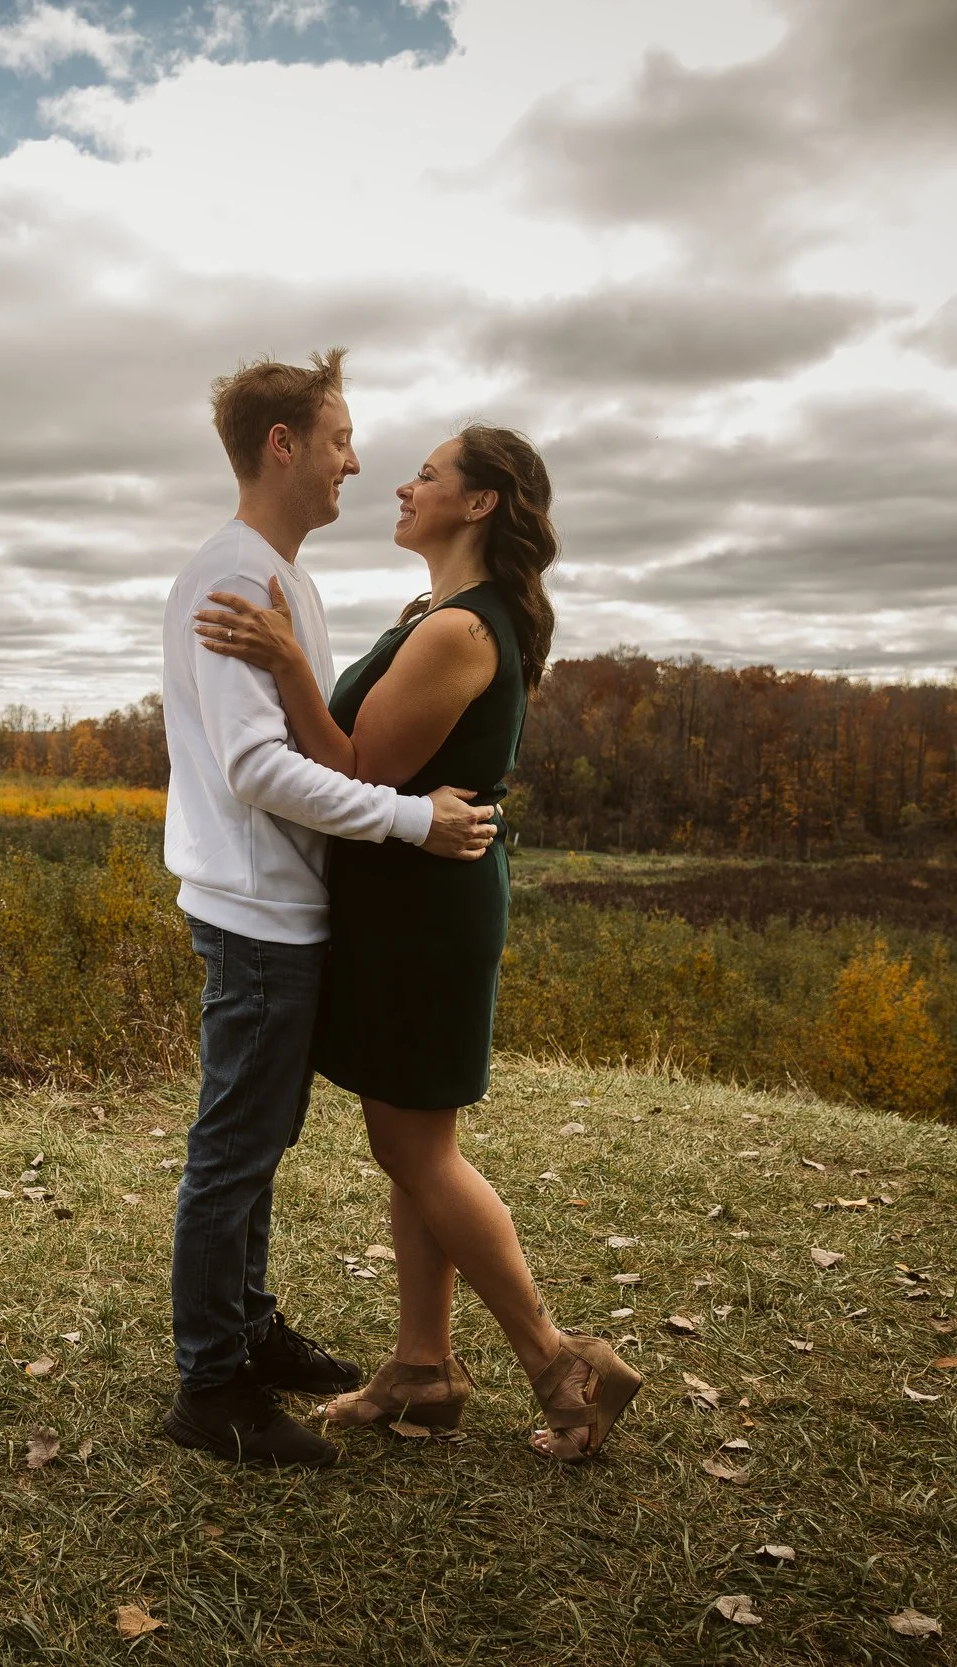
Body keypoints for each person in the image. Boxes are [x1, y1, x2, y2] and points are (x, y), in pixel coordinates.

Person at [194, 421, 643, 1462]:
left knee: (413, 1145)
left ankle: (557, 1360)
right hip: (403, 901)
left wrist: (287, 662)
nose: (400, 484)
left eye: (428, 474)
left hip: (424, 912)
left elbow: (353, 762)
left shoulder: (457, 631)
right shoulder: (433, 614)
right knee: (407, 1146)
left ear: (479, 503)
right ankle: (422, 1366)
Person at [161, 351, 498, 1469]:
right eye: (342, 437)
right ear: (282, 445)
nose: (357, 461)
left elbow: (303, 738)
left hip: (285, 905)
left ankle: (247, 1327)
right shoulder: (234, 575)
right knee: (234, 1147)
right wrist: (407, 821)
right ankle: (211, 1385)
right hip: (255, 906)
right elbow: (259, 767)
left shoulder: (284, 577)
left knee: (260, 1141)